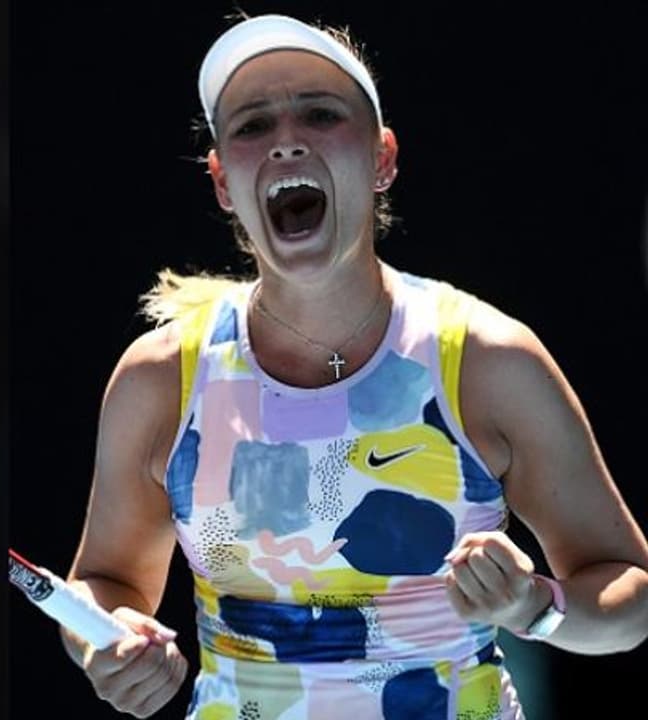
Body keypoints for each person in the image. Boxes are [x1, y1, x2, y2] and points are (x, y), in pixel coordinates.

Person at [60, 14, 648, 719]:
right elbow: (103, 582)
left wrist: (536, 606)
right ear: (221, 183)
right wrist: (107, 643)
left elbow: (632, 596)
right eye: (252, 125)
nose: (286, 141)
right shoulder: (159, 379)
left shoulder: (489, 361)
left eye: (320, 114)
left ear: (382, 159)